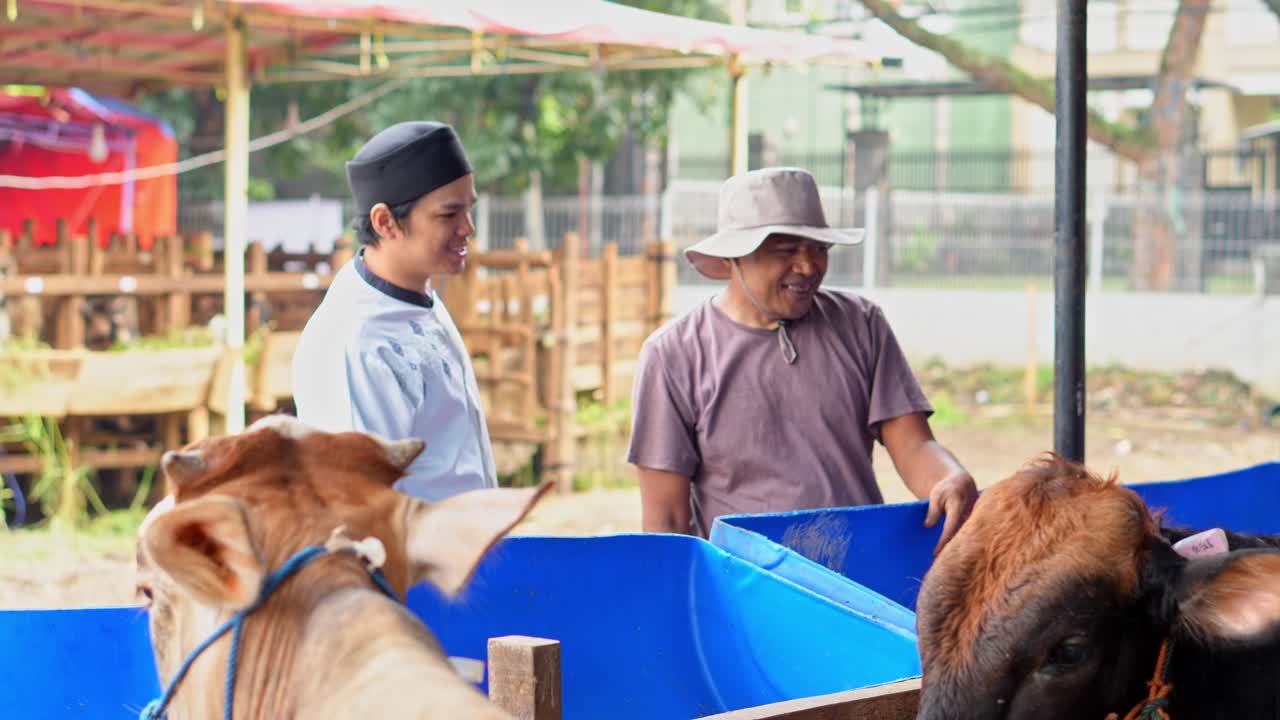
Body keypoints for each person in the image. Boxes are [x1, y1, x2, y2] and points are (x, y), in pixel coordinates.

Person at [627, 167, 977, 552]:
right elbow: (666, 520)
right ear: (732, 259)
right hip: (742, 578)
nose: (808, 267)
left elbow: (914, 445)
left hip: (858, 568)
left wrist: (947, 477)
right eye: (786, 251)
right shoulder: (674, 354)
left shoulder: (861, 324)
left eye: (819, 249)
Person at [292, 121, 496, 501]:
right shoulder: (354, 342)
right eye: (448, 215)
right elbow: (361, 504)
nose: (467, 228)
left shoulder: (418, 297)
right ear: (385, 222)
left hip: (470, 534)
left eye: (468, 209)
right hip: (416, 541)